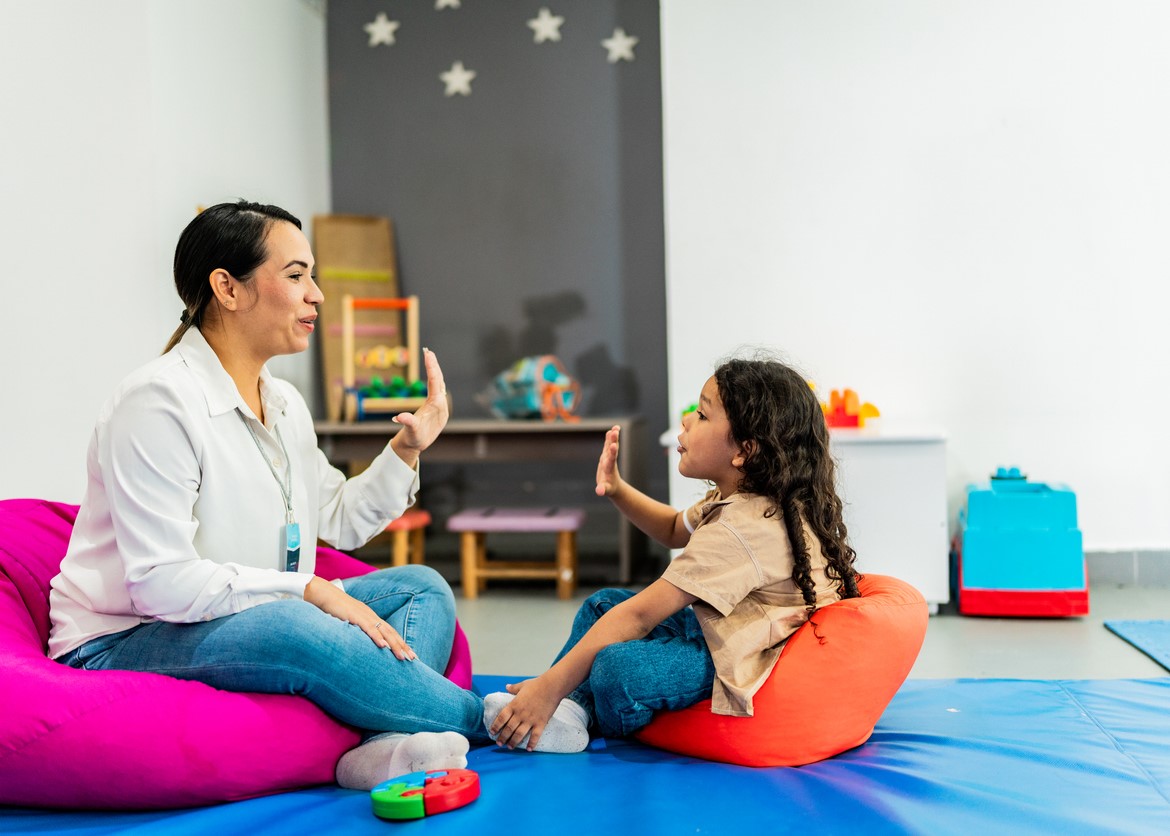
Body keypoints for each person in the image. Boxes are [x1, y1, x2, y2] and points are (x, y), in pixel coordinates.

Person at [48, 200, 489, 790]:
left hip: (246, 612)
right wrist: (307, 591)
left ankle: (383, 745)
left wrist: (406, 451)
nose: (317, 295)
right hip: (124, 635)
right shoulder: (155, 402)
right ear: (228, 289)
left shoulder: (283, 402)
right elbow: (159, 582)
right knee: (298, 629)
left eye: (312, 275)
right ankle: (496, 719)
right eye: (296, 275)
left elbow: (341, 517)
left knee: (421, 587)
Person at [484, 356, 862, 752]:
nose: (685, 421)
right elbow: (671, 529)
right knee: (601, 605)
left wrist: (547, 686)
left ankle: (571, 712)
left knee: (618, 670)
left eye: (701, 414)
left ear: (743, 451)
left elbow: (641, 614)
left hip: (741, 654)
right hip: (721, 625)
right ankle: (569, 709)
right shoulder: (741, 497)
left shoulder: (743, 528)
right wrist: (617, 488)